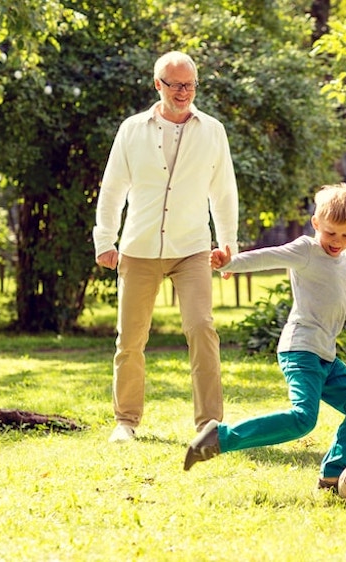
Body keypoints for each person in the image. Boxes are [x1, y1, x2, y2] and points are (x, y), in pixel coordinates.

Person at [183, 183, 346, 490]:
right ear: (316, 223)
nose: (338, 242)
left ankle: (333, 472)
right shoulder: (306, 250)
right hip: (300, 350)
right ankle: (219, 438)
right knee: (303, 418)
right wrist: (229, 263)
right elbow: (268, 257)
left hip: (326, 358)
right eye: (331, 233)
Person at [93, 51, 239, 442]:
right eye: (175, 85)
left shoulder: (213, 130)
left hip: (191, 247)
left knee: (202, 328)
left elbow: (223, 192)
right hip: (138, 248)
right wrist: (105, 240)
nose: (183, 92)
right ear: (158, 84)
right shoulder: (132, 129)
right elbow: (112, 190)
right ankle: (126, 422)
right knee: (130, 339)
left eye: (190, 84)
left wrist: (228, 244)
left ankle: (209, 424)